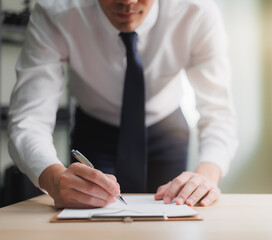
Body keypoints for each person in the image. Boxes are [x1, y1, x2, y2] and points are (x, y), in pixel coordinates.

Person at [8, 0, 238, 209]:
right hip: (95, 128)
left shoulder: (198, 12)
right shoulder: (54, 12)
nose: (127, 2)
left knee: (172, 218)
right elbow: (30, 118)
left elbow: (218, 113)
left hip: (167, 129)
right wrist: (53, 178)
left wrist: (207, 175)